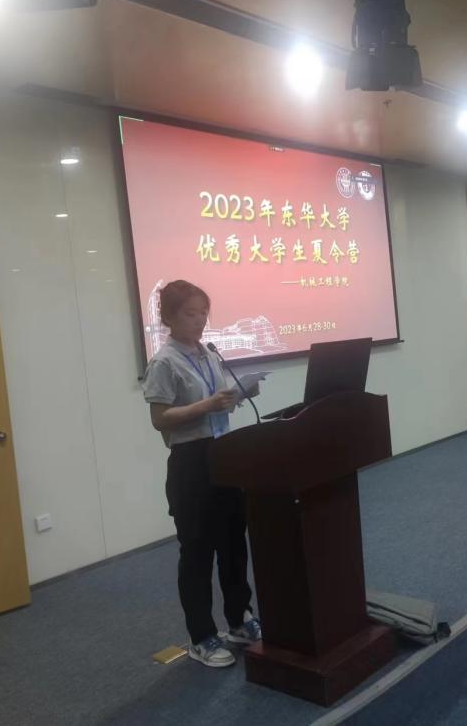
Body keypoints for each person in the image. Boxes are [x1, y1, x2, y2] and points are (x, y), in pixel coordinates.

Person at [142, 279, 261, 668]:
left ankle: (239, 619)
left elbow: (217, 402)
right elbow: (160, 419)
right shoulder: (164, 362)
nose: (199, 320)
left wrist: (238, 394)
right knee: (197, 551)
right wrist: (207, 405)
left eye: (203, 313)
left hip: (225, 454)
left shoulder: (209, 353)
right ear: (169, 317)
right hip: (191, 463)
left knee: (232, 543)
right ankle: (202, 637)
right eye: (190, 313)